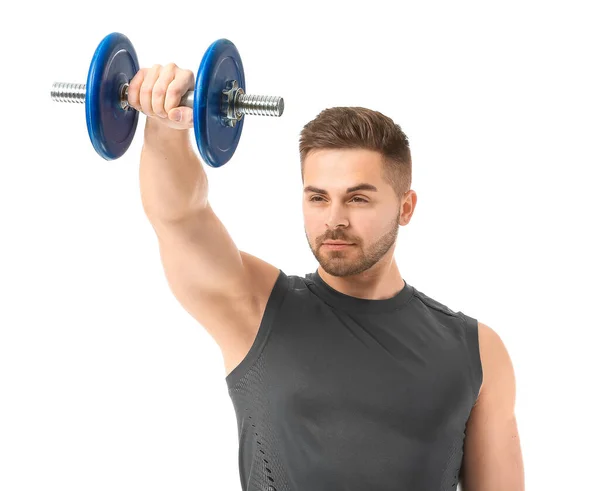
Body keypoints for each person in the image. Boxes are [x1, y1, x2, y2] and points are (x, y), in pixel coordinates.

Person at [127, 63, 525, 491]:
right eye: (318, 198)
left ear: (406, 208)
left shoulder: (478, 351)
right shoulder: (256, 309)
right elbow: (180, 217)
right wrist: (166, 125)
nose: (334, 220)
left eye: (357, 198)